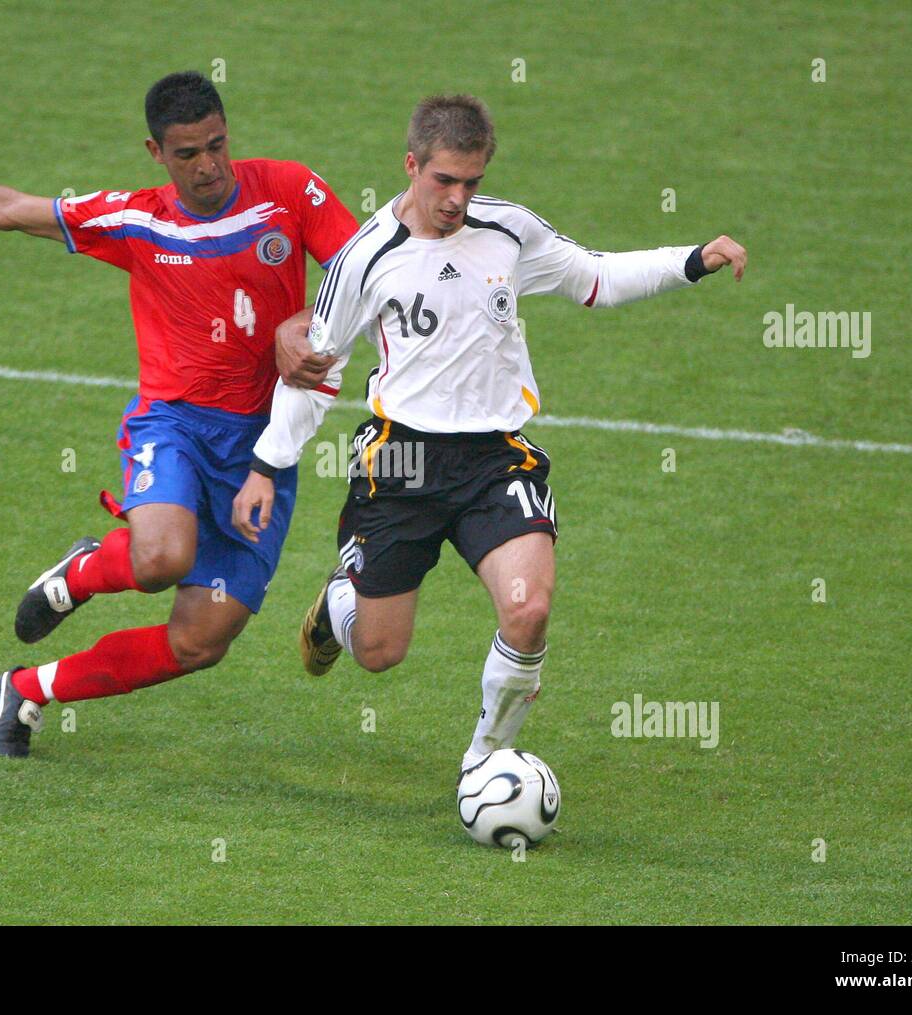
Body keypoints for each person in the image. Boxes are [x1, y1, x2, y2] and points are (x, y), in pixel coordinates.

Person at [0, 71, 358, 757]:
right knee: (162, 556)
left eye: (217, 145)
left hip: (264, 446)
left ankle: (31, 688)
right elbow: (8, 208)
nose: (208, 166)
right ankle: (84, 574)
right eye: (187, 154)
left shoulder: (288, 190)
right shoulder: (137, 221)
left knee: (199, 642)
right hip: (176, 424)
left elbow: (364, 273)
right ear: (155, 152)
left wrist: (304, 320)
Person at [232, 94, 746, 777]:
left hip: (495, 460)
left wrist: (693, 259)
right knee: (382, 653)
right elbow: (315, 371)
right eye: (444, 180)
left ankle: (487, 759)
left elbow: (596, 277)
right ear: (412, 165)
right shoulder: (365, 257)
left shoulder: (508, 232)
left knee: (528, 609)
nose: (457, 198)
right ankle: (339, 600)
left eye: (471, 182)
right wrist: (267, 465)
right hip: (403, 458)